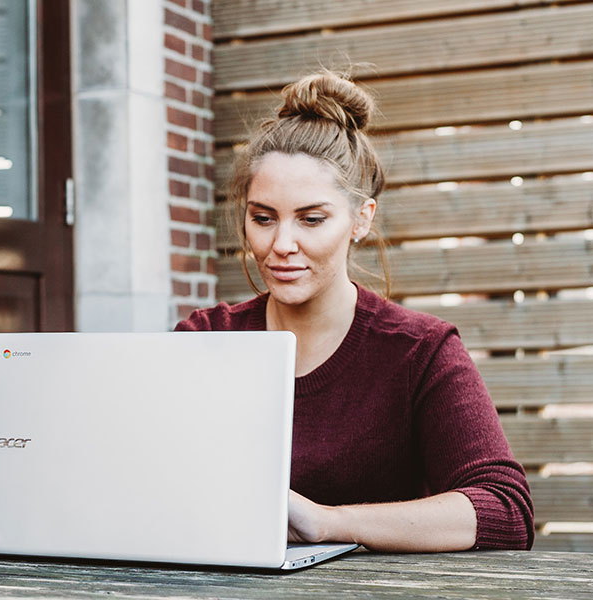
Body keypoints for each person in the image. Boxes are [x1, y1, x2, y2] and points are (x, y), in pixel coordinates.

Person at [175, 70, 533, 552]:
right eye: (263, 218)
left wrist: (328, 523)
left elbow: (505, 510)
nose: (281, 245)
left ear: (361, 220)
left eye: (312, 219)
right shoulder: (206, 337)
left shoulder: (420, 351)